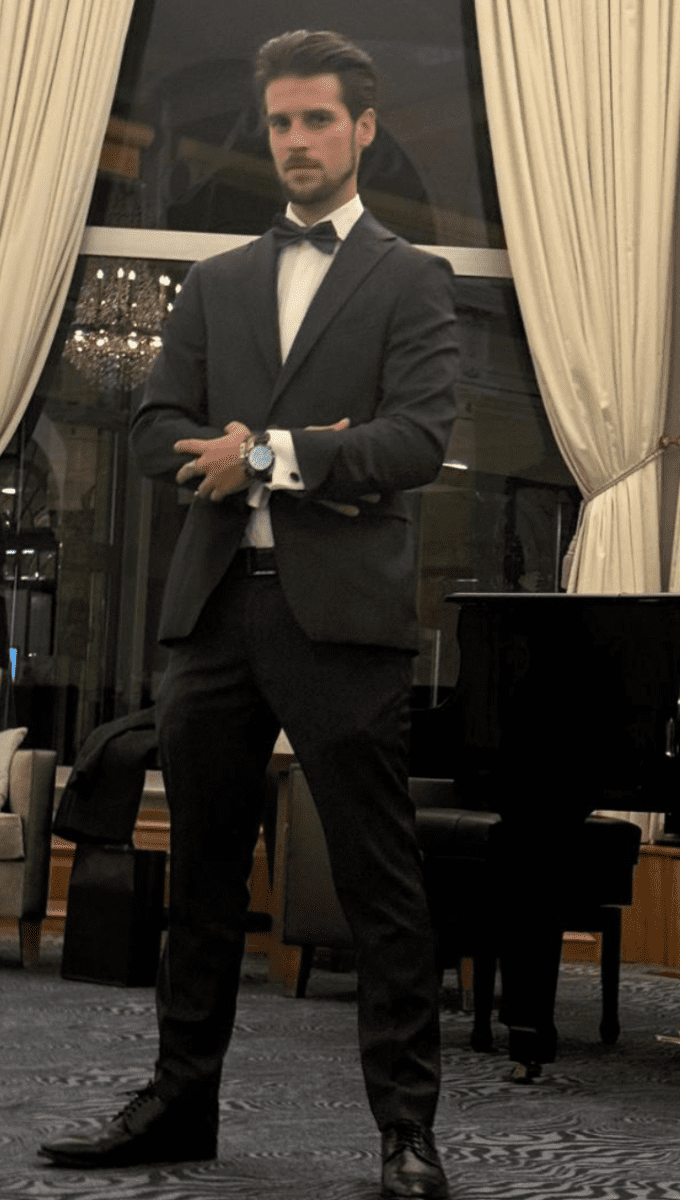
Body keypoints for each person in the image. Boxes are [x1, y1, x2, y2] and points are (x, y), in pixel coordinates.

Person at [39, 29, 458, 1199]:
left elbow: (416, 439)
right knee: (203, 882)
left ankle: (406, 1133)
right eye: (279, 122)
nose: (295, 141)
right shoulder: (217, 283)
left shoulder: (411, 278)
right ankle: (179, 1107)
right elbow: (150, 430)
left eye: (317, 119)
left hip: (342, 624)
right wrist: (258, 454)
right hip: (214, 614)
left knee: (379, 886)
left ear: (362, 128)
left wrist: (265, 454)